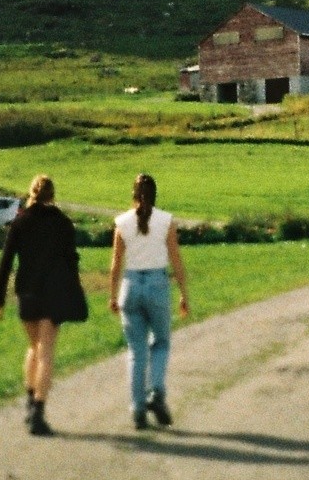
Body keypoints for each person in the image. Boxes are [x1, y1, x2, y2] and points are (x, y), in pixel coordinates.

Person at [0, 174, 89, 436]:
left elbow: (6, 261)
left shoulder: (21, 221)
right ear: (52, 195)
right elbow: (71, 260)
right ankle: (38, 412)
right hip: (54, 293)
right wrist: (74, 293)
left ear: (31, 192)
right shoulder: (63, 223)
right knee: (46, 351)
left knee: (34, 347)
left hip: (27, 292)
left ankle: (29, 402)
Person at [109, 172, 190, 431]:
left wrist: (112, 295)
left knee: (136, 351)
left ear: (133, 195)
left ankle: (138, 409)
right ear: (155, 195)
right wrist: (183, 294)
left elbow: (116, 264)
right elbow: (176, 260)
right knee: (161, 342)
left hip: (131, 285)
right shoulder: (166, 221)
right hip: (157, 284)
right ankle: (156, 390)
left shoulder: (122, 222)